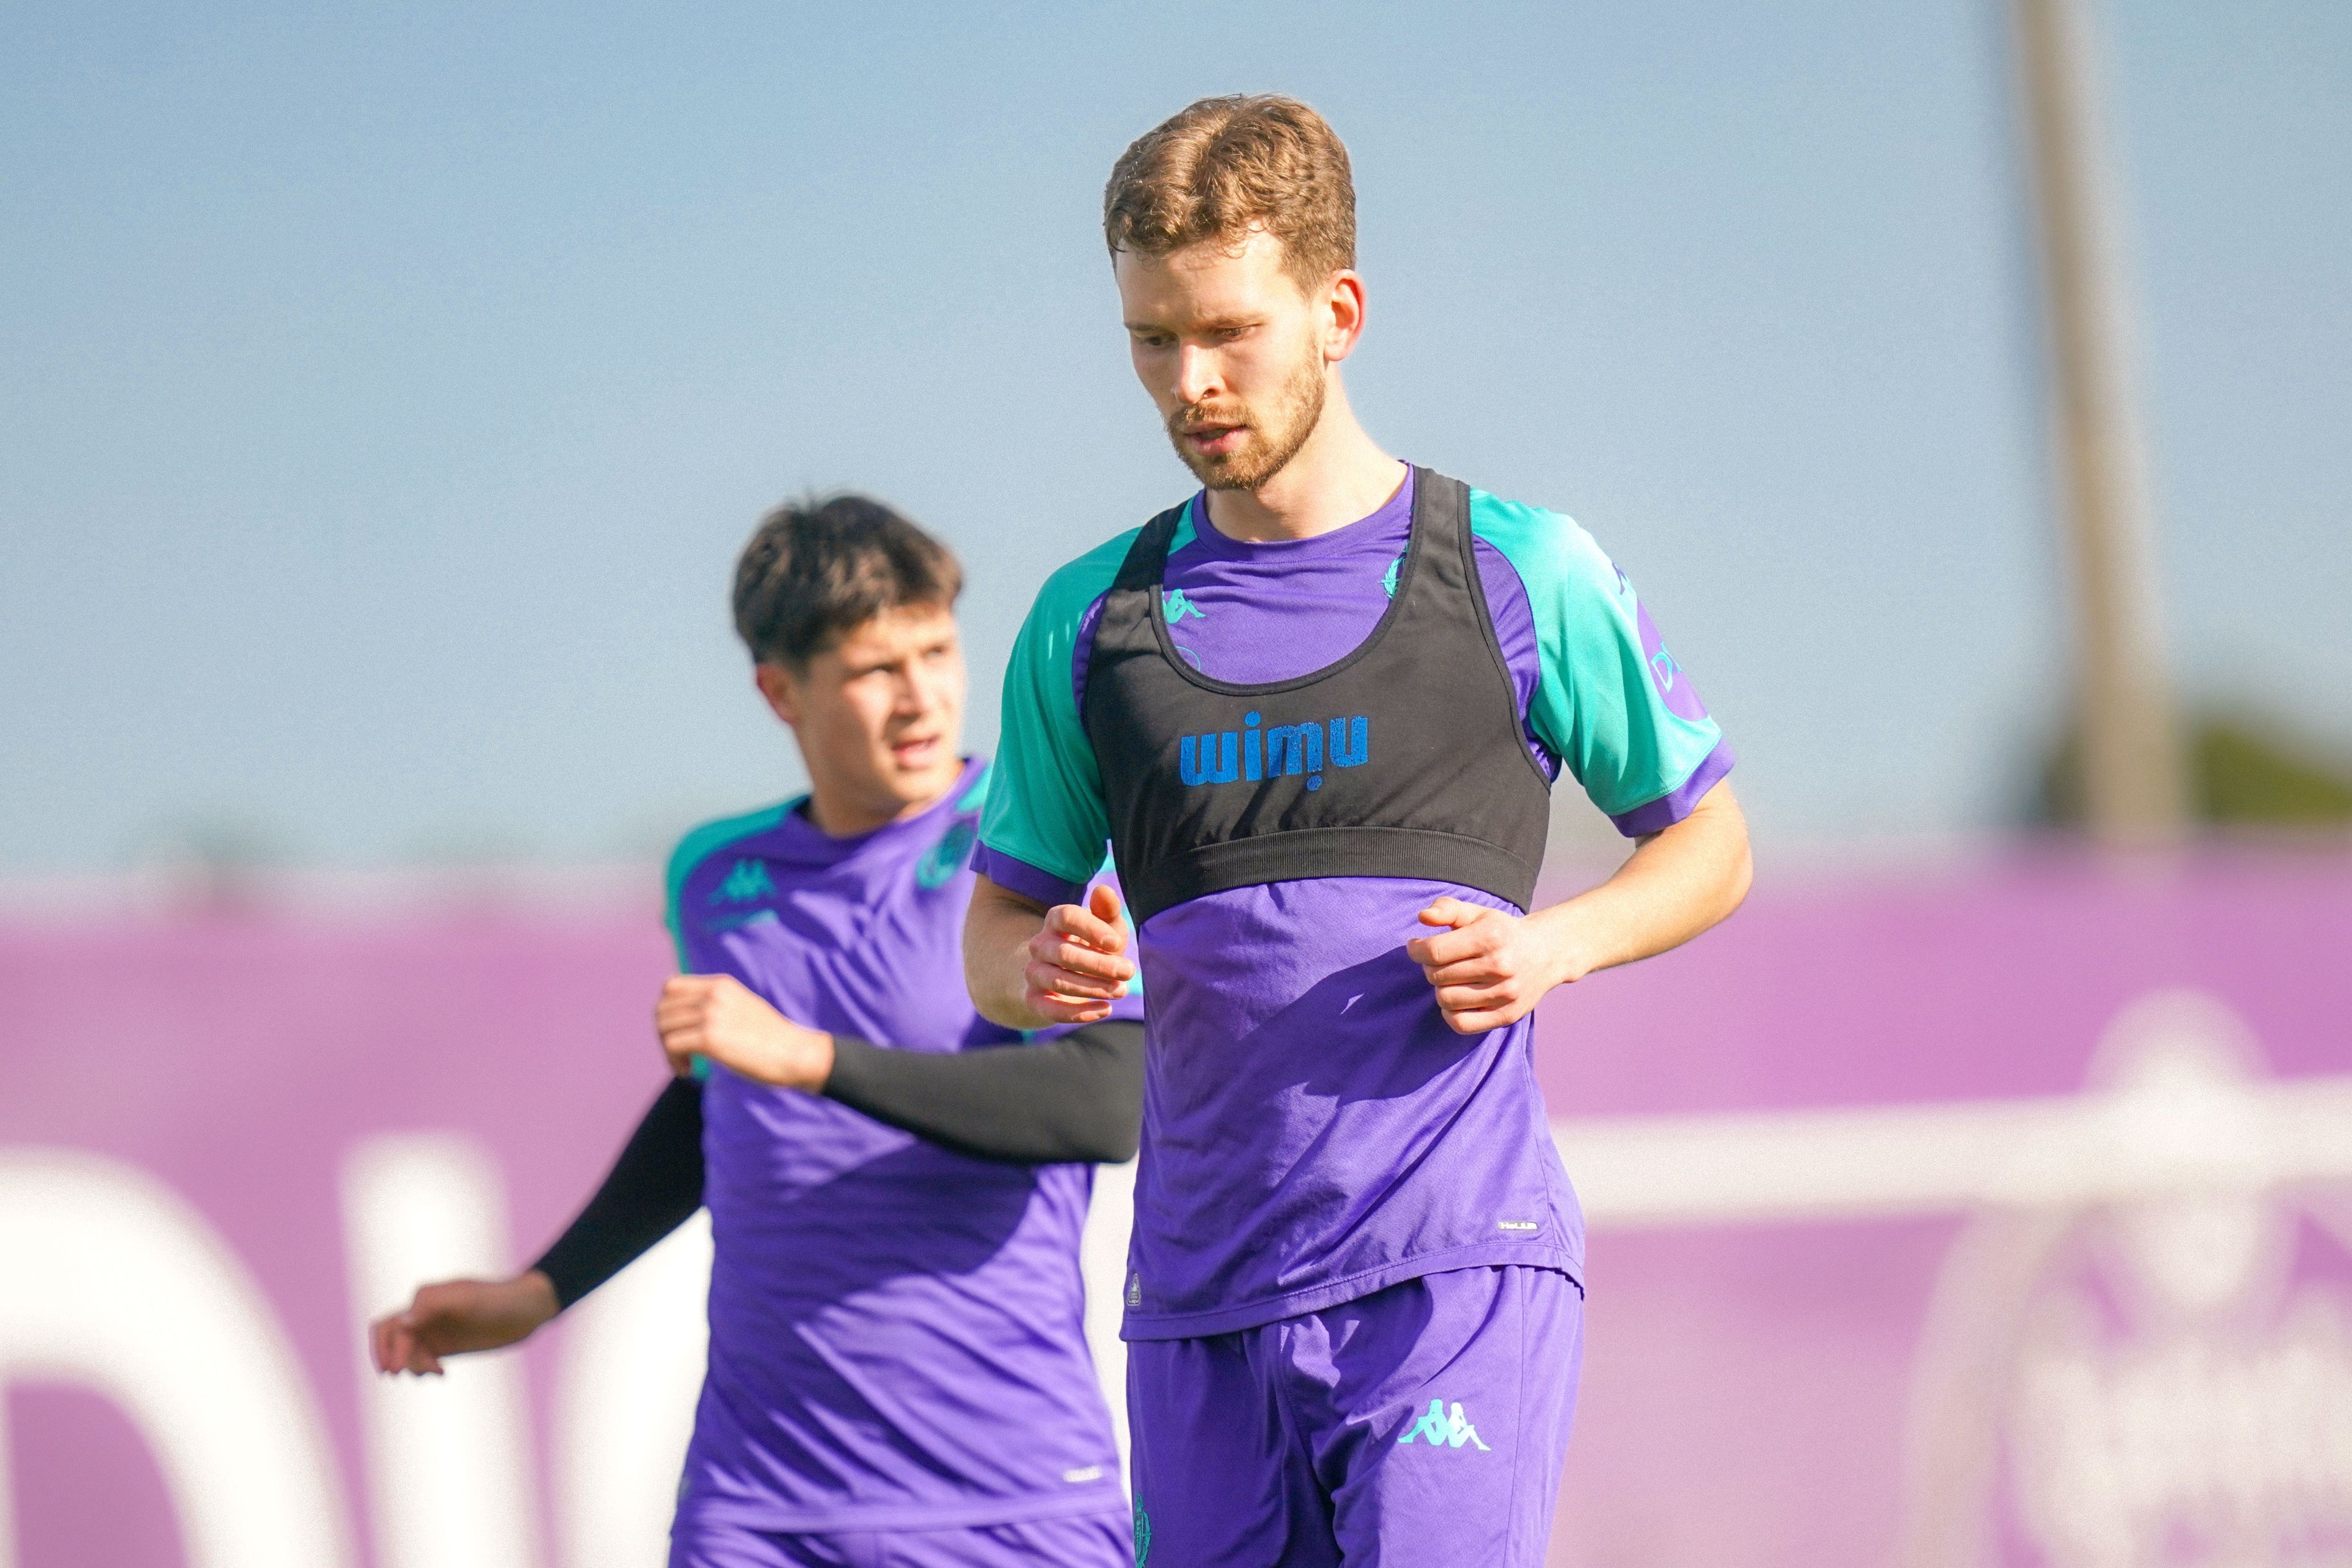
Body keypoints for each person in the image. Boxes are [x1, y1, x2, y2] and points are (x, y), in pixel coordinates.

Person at [963, 96, 1753, 1566]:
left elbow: (1711, 846)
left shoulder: (1519, 569)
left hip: (1449, 1274)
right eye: (1151, 339)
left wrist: (1552, 947)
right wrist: (1037, 971)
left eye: (1228, 332)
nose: (1190, 382)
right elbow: (994, 936)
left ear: (1337, 314)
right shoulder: (1086, 624)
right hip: (1195, 1306)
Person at [370, 495, 1142, 1568]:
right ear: (781, 692)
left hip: (1008, 1501)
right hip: (755, 1511)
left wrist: (810, 1059)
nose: (921, 697)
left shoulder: (1033, 854)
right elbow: (719, 1107)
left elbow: (1104, 1103)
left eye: (936, 651)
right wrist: (539, 1292)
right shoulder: (712, 875)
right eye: (875, 670)